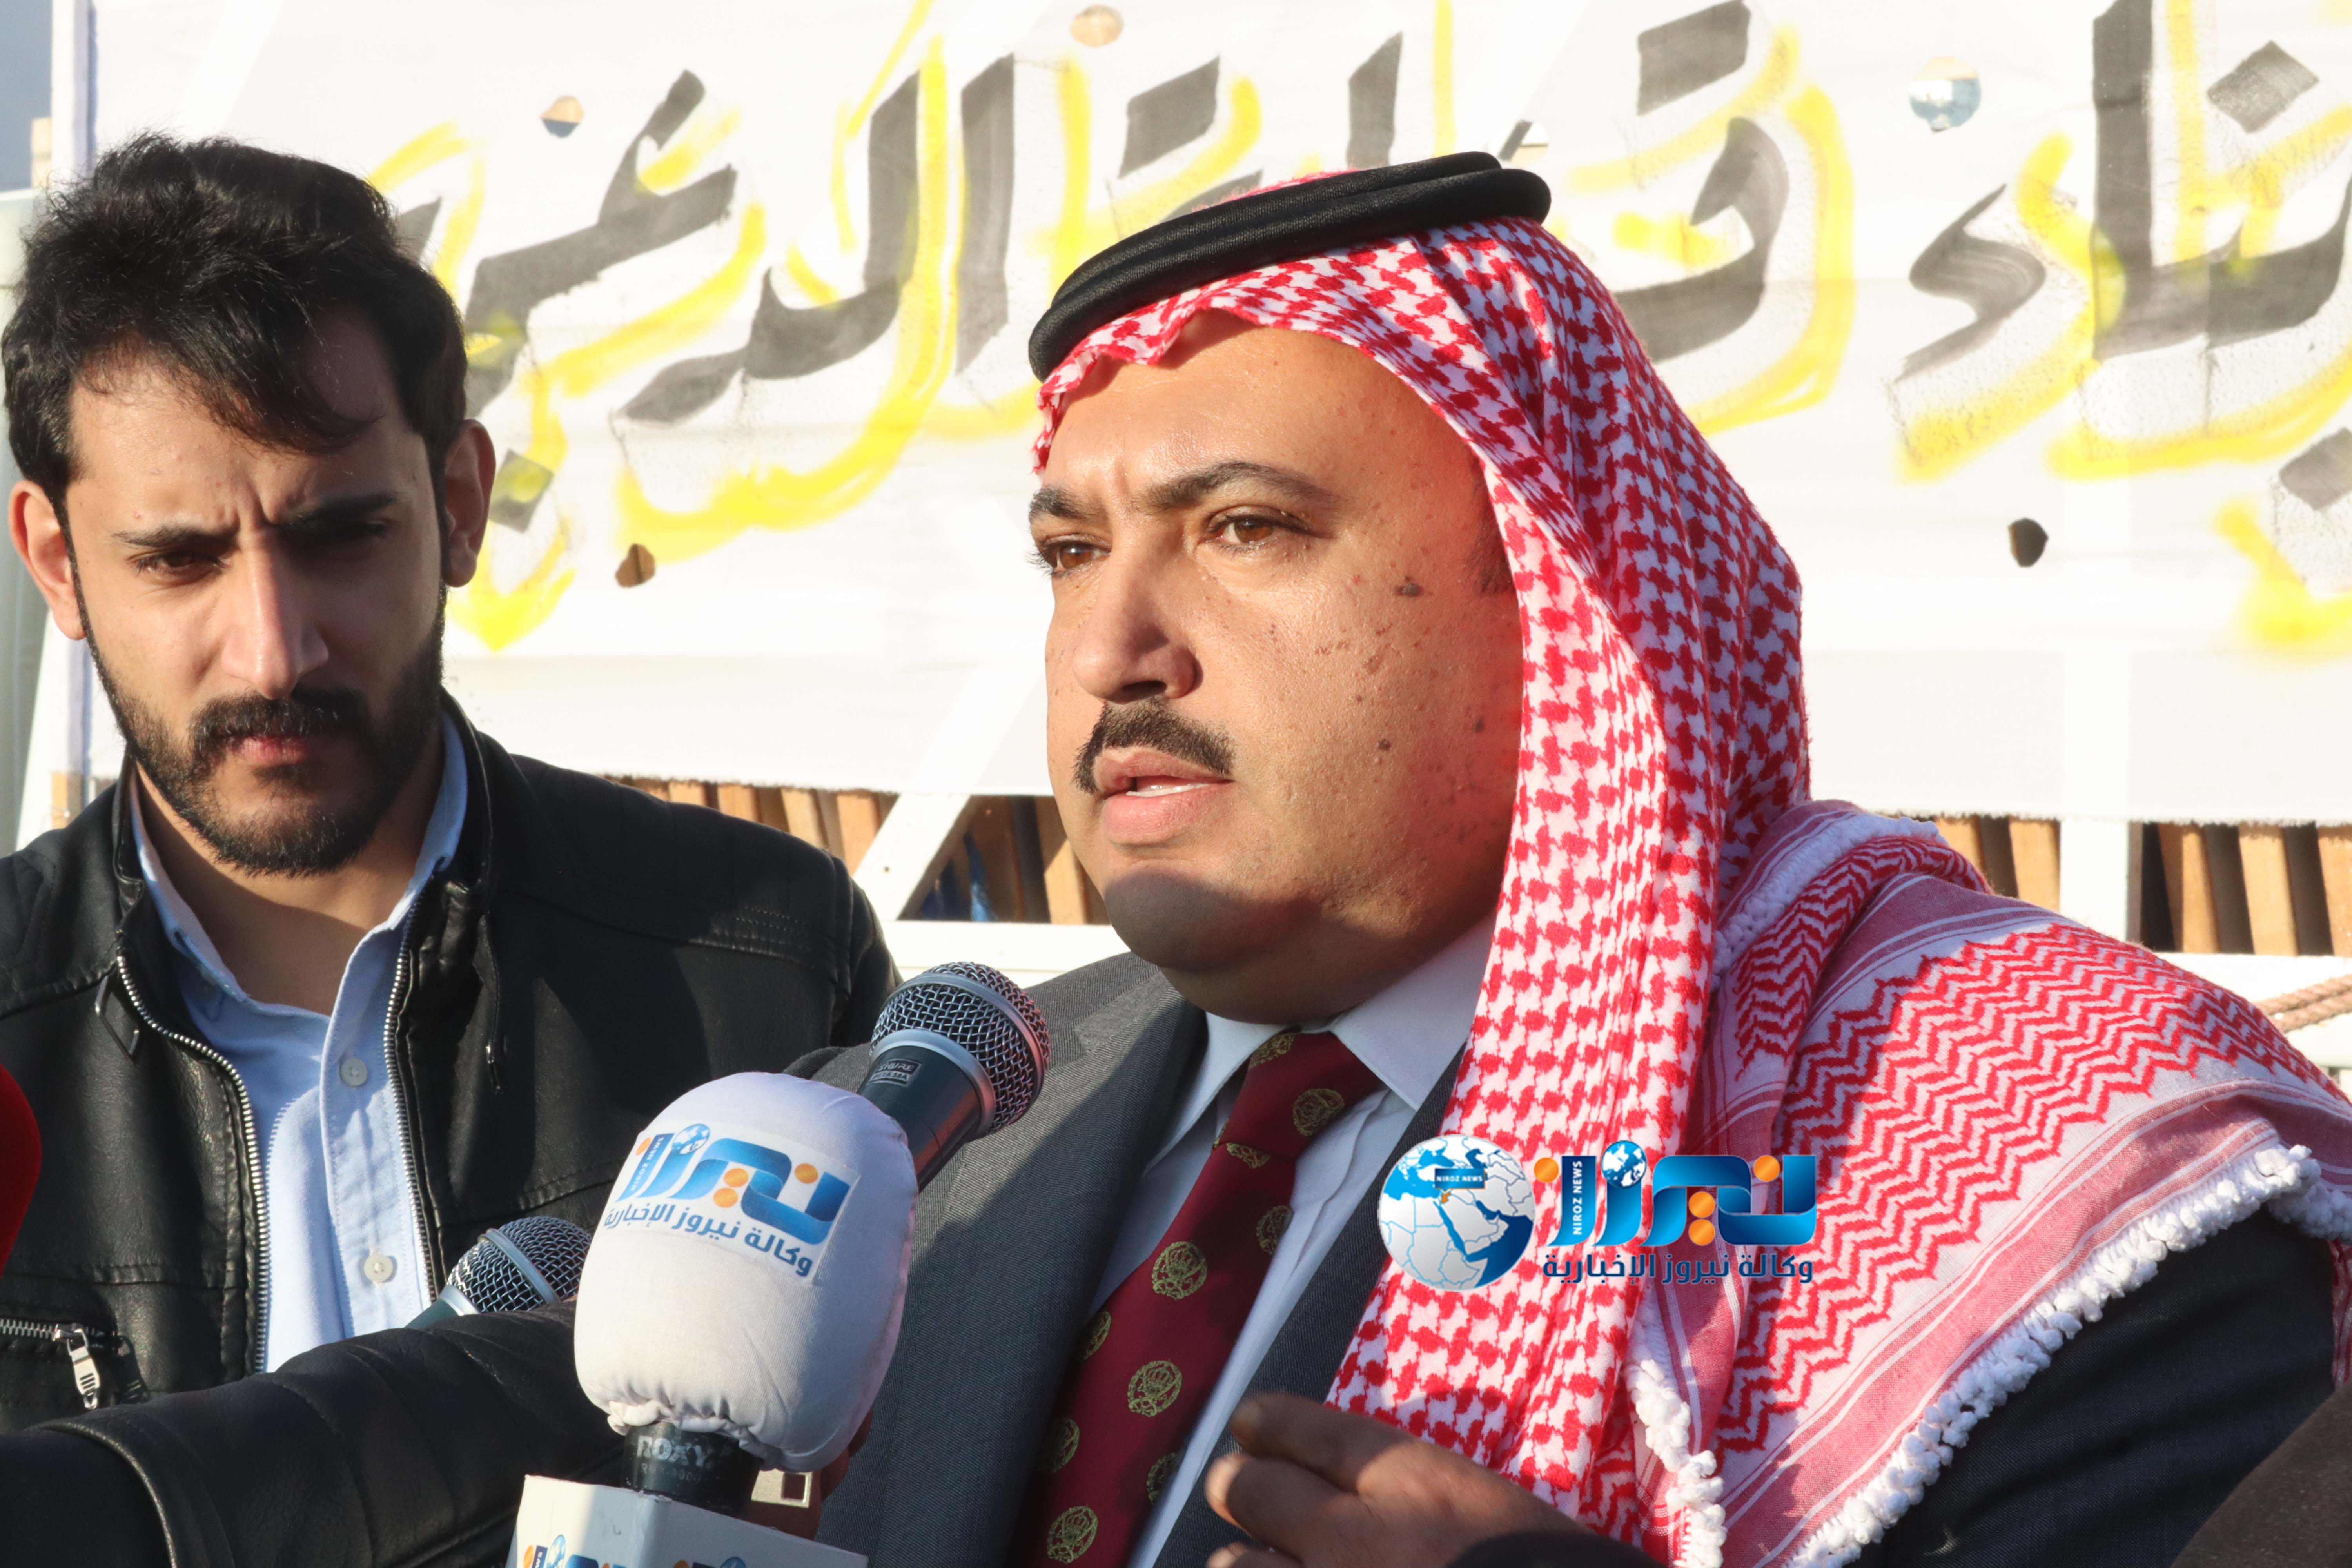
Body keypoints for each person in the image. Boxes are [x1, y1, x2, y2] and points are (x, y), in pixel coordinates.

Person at [798, 155, 2352, 1568]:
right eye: (1072, 552)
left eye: (1247, 528)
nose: (1111, 650)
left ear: (1567, 593)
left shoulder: (2025, 1136)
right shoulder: (947, 1114)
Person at [0, 135, 893, 1428]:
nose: (276, 652)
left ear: (461, 504)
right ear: (57, 563)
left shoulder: (768, 966)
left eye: (341, 536)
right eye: (180, 561)